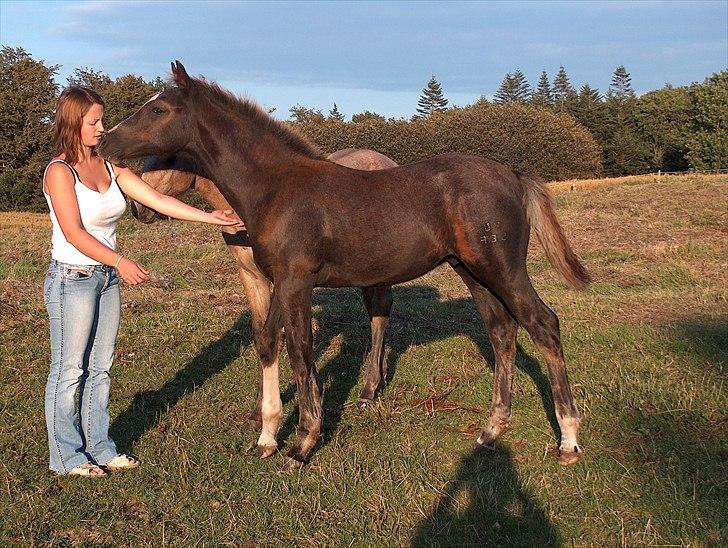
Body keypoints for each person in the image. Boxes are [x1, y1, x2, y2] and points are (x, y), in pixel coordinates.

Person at [42, 86, 242, 477]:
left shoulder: (110, 168)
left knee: (100, 369)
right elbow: (73, 232)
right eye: (93, 122)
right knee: (70, 371)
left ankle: (100, 447)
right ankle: (65, 456)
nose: (102, 128)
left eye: (101, 119)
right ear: (73, 123)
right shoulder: (59, 172)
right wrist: (121, 261)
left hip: (104, 280)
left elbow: (158, 200)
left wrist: (211, 217)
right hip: (72, 279)